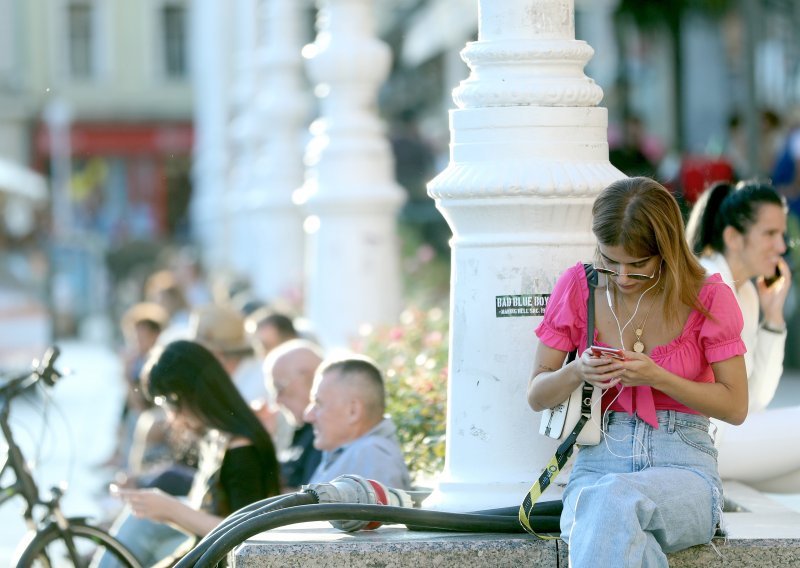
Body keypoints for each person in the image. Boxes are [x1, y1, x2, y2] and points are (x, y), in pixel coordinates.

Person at [527, 177, 748, 566]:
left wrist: (657, 376)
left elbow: (735, 406)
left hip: (683, 467)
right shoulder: (579, 287)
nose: (624, 277)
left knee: (610, 501)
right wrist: (578, 370)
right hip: (598, 463)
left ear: (665, 251)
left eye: (638, 265)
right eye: (610, 262)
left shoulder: (708, 296)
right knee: (610, 507)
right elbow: (536, 394)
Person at [101, 340, 281, 567]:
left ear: (189, 396)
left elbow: (245, 534)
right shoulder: (219, 437)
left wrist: (172, 510)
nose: (170, 415)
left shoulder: (242, 448)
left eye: (167, 402)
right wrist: (164, 513)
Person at [686, 180, 798, 491]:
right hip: (697, 437)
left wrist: (773, 316)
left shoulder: (745, 291)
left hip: (727, 432)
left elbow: (756, 399)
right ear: (734, 238)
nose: (781, 246)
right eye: (770, 234)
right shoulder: (708, 282)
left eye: (782, 235)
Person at [305, 356, 412, 491]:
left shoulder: (373, 456)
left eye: (318, 404)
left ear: (353, 411)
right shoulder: (357, 453)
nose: (308, 416)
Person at [261, 339, 324, 490]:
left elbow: (310, 502)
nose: (277, 400)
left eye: (279, 388)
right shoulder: (303, 432)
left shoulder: (326, 434)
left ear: (312, 379)